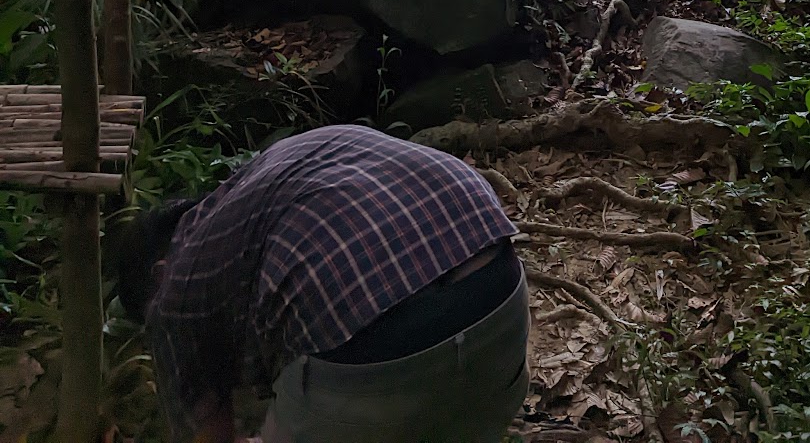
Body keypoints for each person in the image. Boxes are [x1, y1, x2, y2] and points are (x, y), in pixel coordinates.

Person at [116, 123, 529, 443]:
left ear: (159, 271)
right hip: (501, 298)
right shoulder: (278, 170)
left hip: (385, 350)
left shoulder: (174, 289)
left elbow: (207, 435)